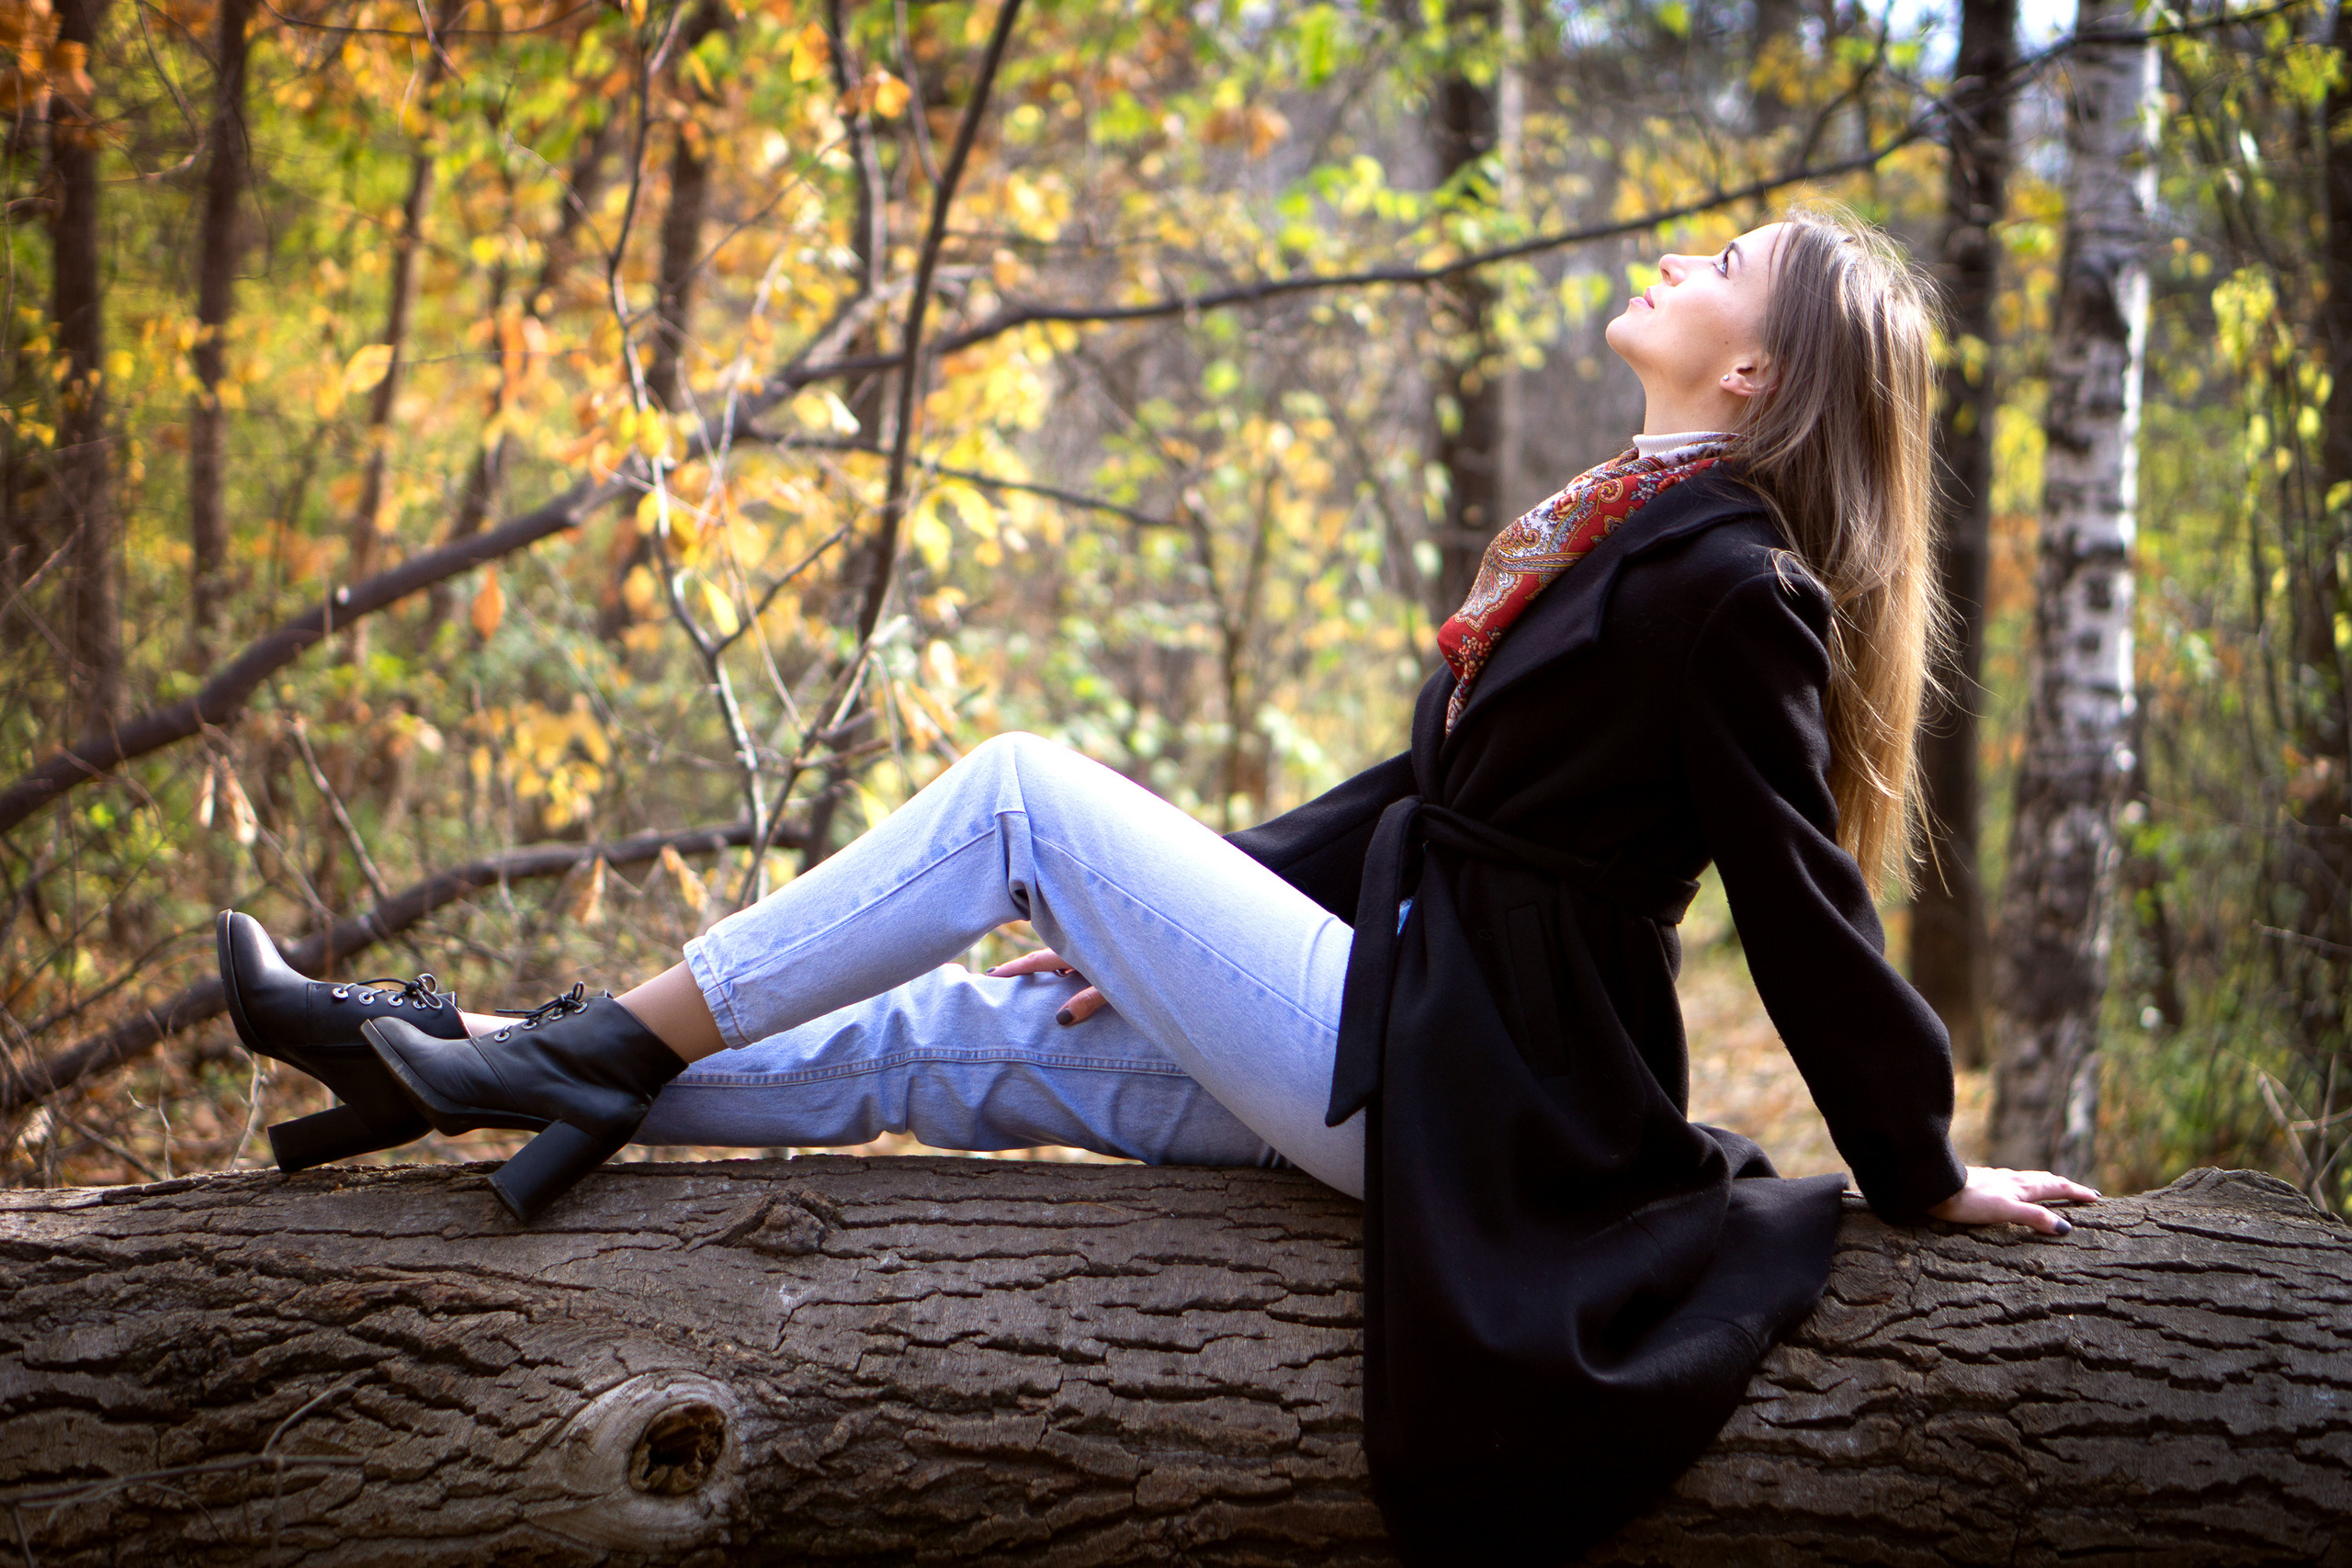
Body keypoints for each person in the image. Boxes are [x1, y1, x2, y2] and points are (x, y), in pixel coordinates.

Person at [218, 205, 2097, 1563]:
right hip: (1393, 1026)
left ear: (1752, 368)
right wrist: (1176, 932)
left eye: (1718, 267)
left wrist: (1916, 1162)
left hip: (1473, 1093)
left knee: (1020, 793)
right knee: (966, 1033)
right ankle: (451, 1060)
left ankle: (567, 1040)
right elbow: (1416, 798)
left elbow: (1795, 902)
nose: (1673, 265)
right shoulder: (1629, 531)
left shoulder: (1727, 583)